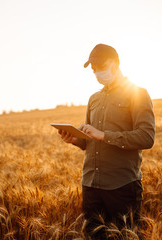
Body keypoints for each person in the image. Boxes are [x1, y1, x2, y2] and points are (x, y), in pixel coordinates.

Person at [57, 44, 155, 239]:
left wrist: (104, 135)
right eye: (94, 69)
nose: (97, 72)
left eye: (101, 66)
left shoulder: (138, 93)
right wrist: (75, 139)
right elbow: (89, 142)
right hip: (91, 185)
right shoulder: (94, 98)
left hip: (122, 185)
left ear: (116, 64)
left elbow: (147, 137)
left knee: (126, 236)